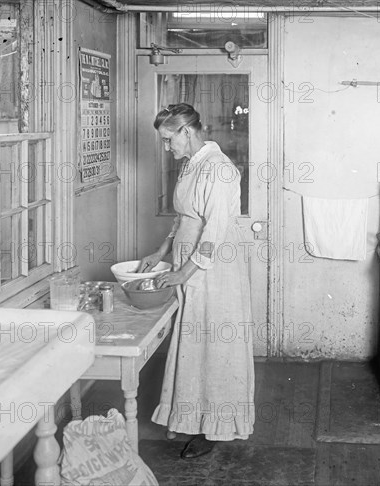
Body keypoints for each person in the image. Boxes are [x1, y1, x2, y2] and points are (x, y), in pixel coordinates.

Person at [138, 103, 255, 459]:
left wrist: (184, 272)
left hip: (213, 266)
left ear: (186, 132)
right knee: (194, 340)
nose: (166, 146)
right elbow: (183, 218)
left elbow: (214, 231)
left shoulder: (219, 170)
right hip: (188, 261)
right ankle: (188, 415)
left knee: (215, 345)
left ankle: (217, 426)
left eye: (168, 139)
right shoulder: (192, 164)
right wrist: (161, 253)